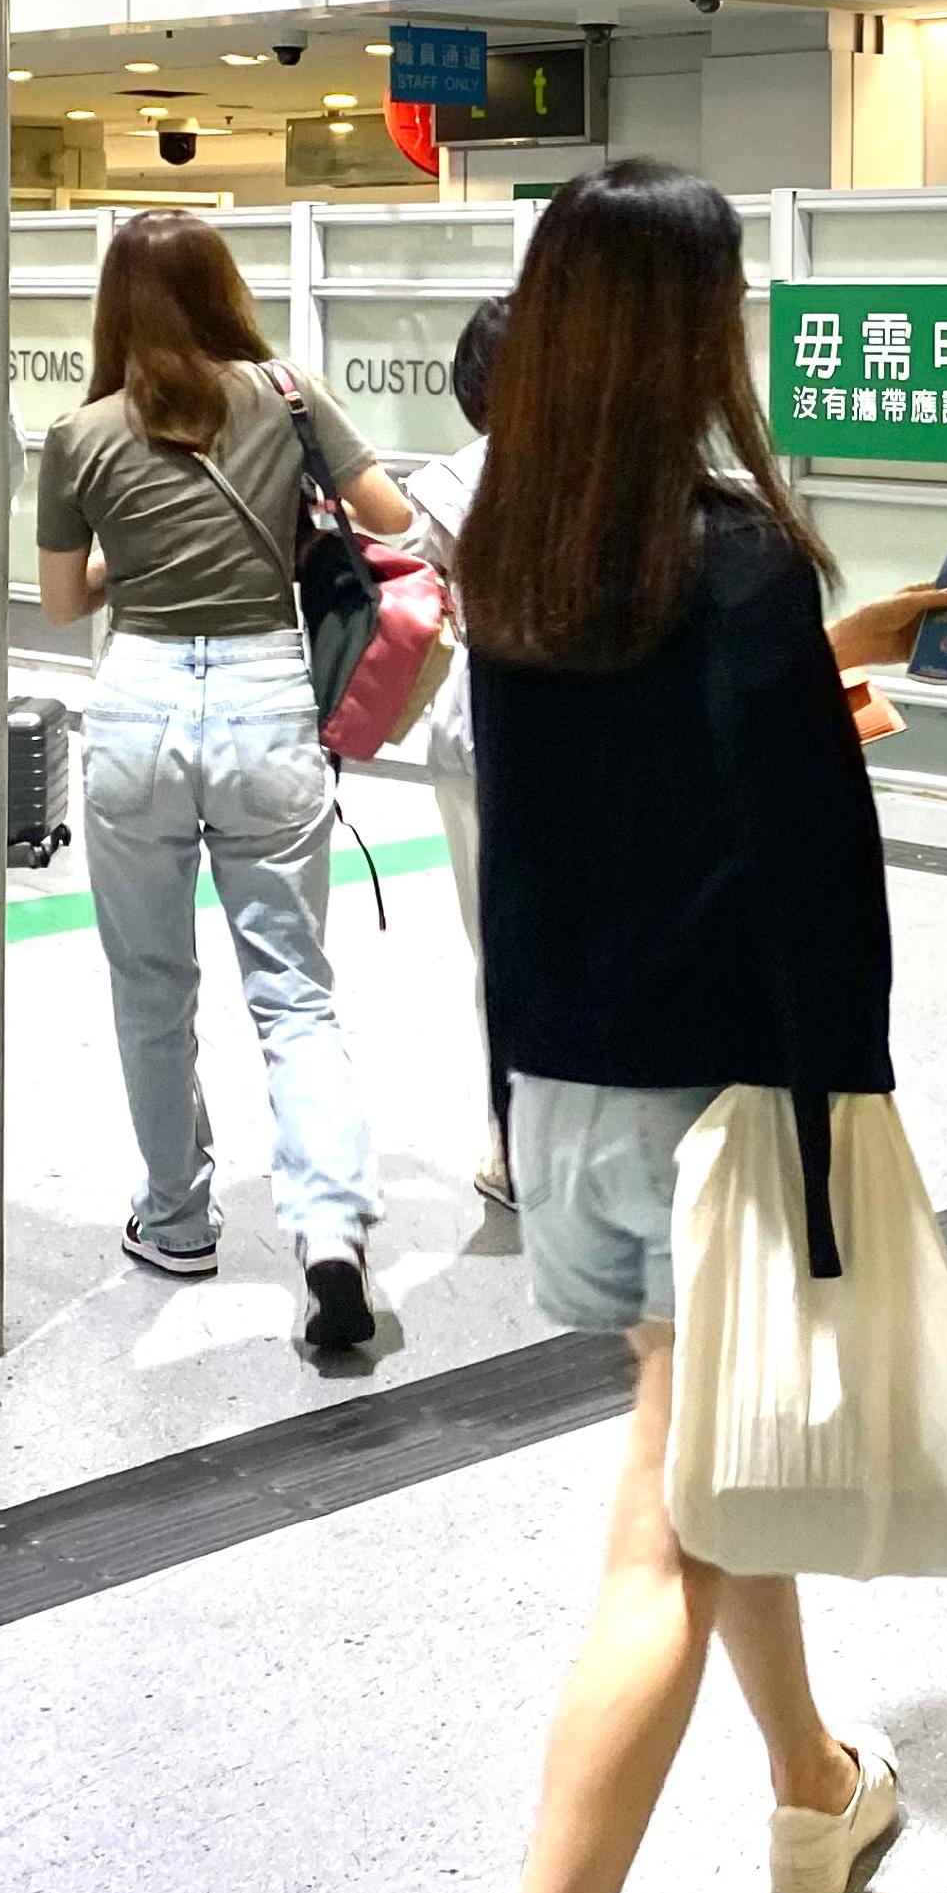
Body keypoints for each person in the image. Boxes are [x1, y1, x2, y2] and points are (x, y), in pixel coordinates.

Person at [409, 160, 947, 1893]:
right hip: (729, 1106)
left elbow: (601, 807)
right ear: (694, 328)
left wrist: (826, 666)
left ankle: (813, 1783)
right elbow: (808, 890)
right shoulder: (728, 556)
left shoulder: (526, 546)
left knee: (704, 1475)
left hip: (571, 1094)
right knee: (662, 1539)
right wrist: (844, 1132)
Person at [34, 207, 417, 1346]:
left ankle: (176, 1220)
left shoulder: (79, 434)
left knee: (151, 986)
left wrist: (134, 550)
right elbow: (392, 517)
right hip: (265, 697)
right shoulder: (289, 396)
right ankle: (331, 1231)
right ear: (223, 290)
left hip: (138, 704)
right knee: (293, 991)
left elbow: (61, 601)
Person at [402, 291, 515, 1207]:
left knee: (498, 946)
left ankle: (514, 1146)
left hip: (479, 720)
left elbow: (414, 602)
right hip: (604, 715)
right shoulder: (614, 474)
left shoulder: (449, 484)